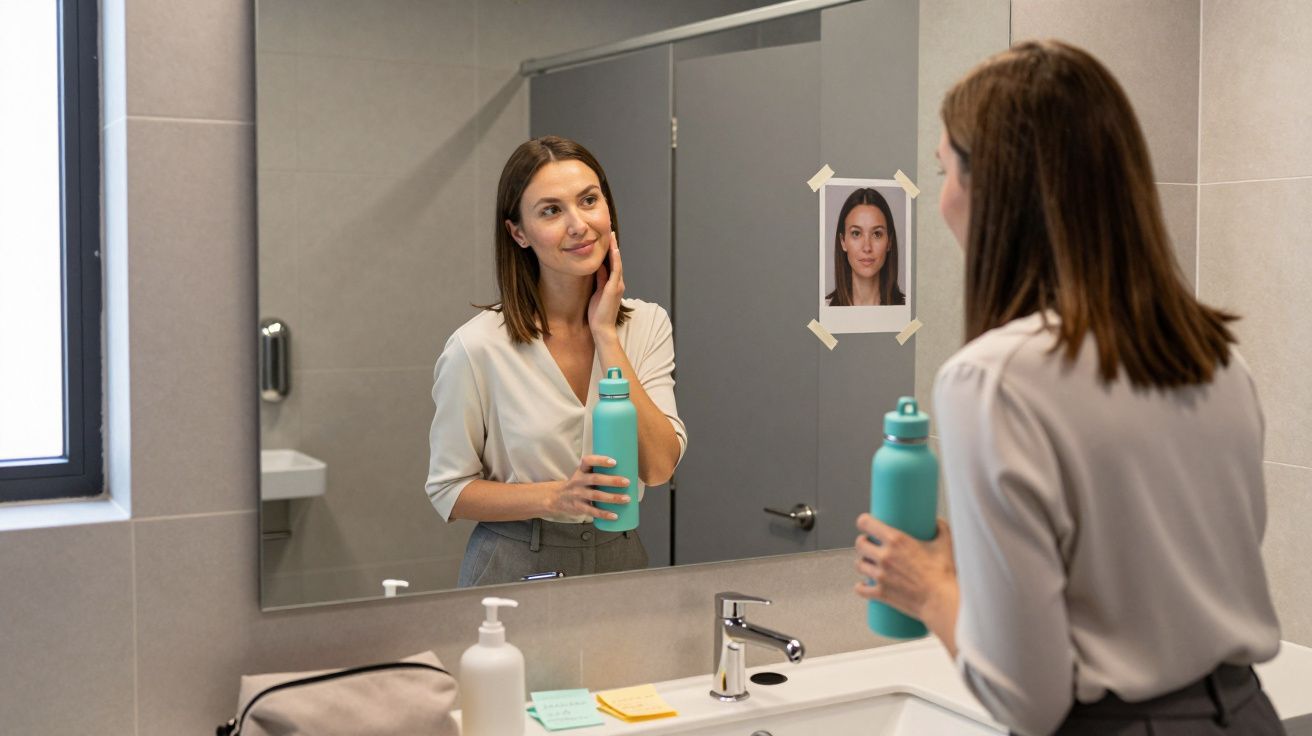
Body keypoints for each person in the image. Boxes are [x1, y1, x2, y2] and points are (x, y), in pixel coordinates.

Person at [853, 41, 1284, 736]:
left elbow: (1028, 697)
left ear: (991, 188)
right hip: (1249, 714)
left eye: (945, 171)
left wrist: (929, 589)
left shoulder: (991, 381)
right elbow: (1156, 580)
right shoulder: (1215, 360)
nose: (940, 202)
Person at [426, 135, 686, 587]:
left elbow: (659, 467)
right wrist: (555, 498)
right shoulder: (478, 347)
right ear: (518, 233)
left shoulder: (647, 324)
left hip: (621, 557)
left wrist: (607, 335)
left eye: (589, 200)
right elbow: (449, 490)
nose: (579, 224)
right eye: (551, 210)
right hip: (514, 563)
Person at [826, 187, 906, 306]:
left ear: (889, 242)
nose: (867, 247)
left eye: (877, 234)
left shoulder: (910, 311)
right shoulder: (822, 313)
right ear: (843, 242)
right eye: (856, 233)